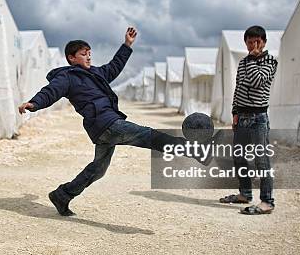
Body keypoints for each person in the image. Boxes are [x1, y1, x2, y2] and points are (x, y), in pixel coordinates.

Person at [18, 27, 208, 216]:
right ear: (71, 58)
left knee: (98, 169)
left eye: (90, 53)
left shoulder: (96, 73)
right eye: (84, 54)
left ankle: (63, 194)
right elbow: (50, 91)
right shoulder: (67, 77)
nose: (89, 57)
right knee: (148, 135)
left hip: (103, 128)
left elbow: (114, 66)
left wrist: (126, 45)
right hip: (107, 123)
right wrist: (34, 103)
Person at [219, 25, 278, 215]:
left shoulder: (270, 61)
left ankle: (267, 201)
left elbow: (257, 81)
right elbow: (238, 89)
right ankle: (244, 193)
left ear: (264, 42)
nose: (253, 45)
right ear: (245, 43)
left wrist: (253, 58)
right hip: (242, 117)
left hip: (258, 117)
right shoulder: (243, 62)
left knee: (261, 160)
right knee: (239, 157)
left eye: (257, 41)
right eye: (250, 41)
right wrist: (234, 112)